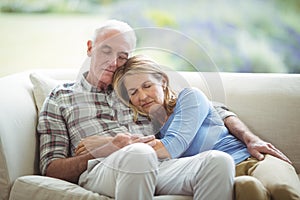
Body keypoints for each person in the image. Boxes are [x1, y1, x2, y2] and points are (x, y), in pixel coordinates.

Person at [37, 19, 235, 200]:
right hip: (101, 170)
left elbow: (197, 105)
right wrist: (106, 148)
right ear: (90, 48)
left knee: (218, 162)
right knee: (139, 154)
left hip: (160, 165)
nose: (113, 63)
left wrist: (248, 135)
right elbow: (51, 169)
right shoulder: (61, 97)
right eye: (106, 51)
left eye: (122, 57)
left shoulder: (135, 90)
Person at [112, 54, 300, 200]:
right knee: (249, 189)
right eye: (134, 92)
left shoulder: (190, 98)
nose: (142, 96)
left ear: (162, 81)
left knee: (282, 190)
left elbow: (174, 145)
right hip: (225, 174)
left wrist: (130, 149)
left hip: (254, 161)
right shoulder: (149, 130)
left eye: (147, 85)